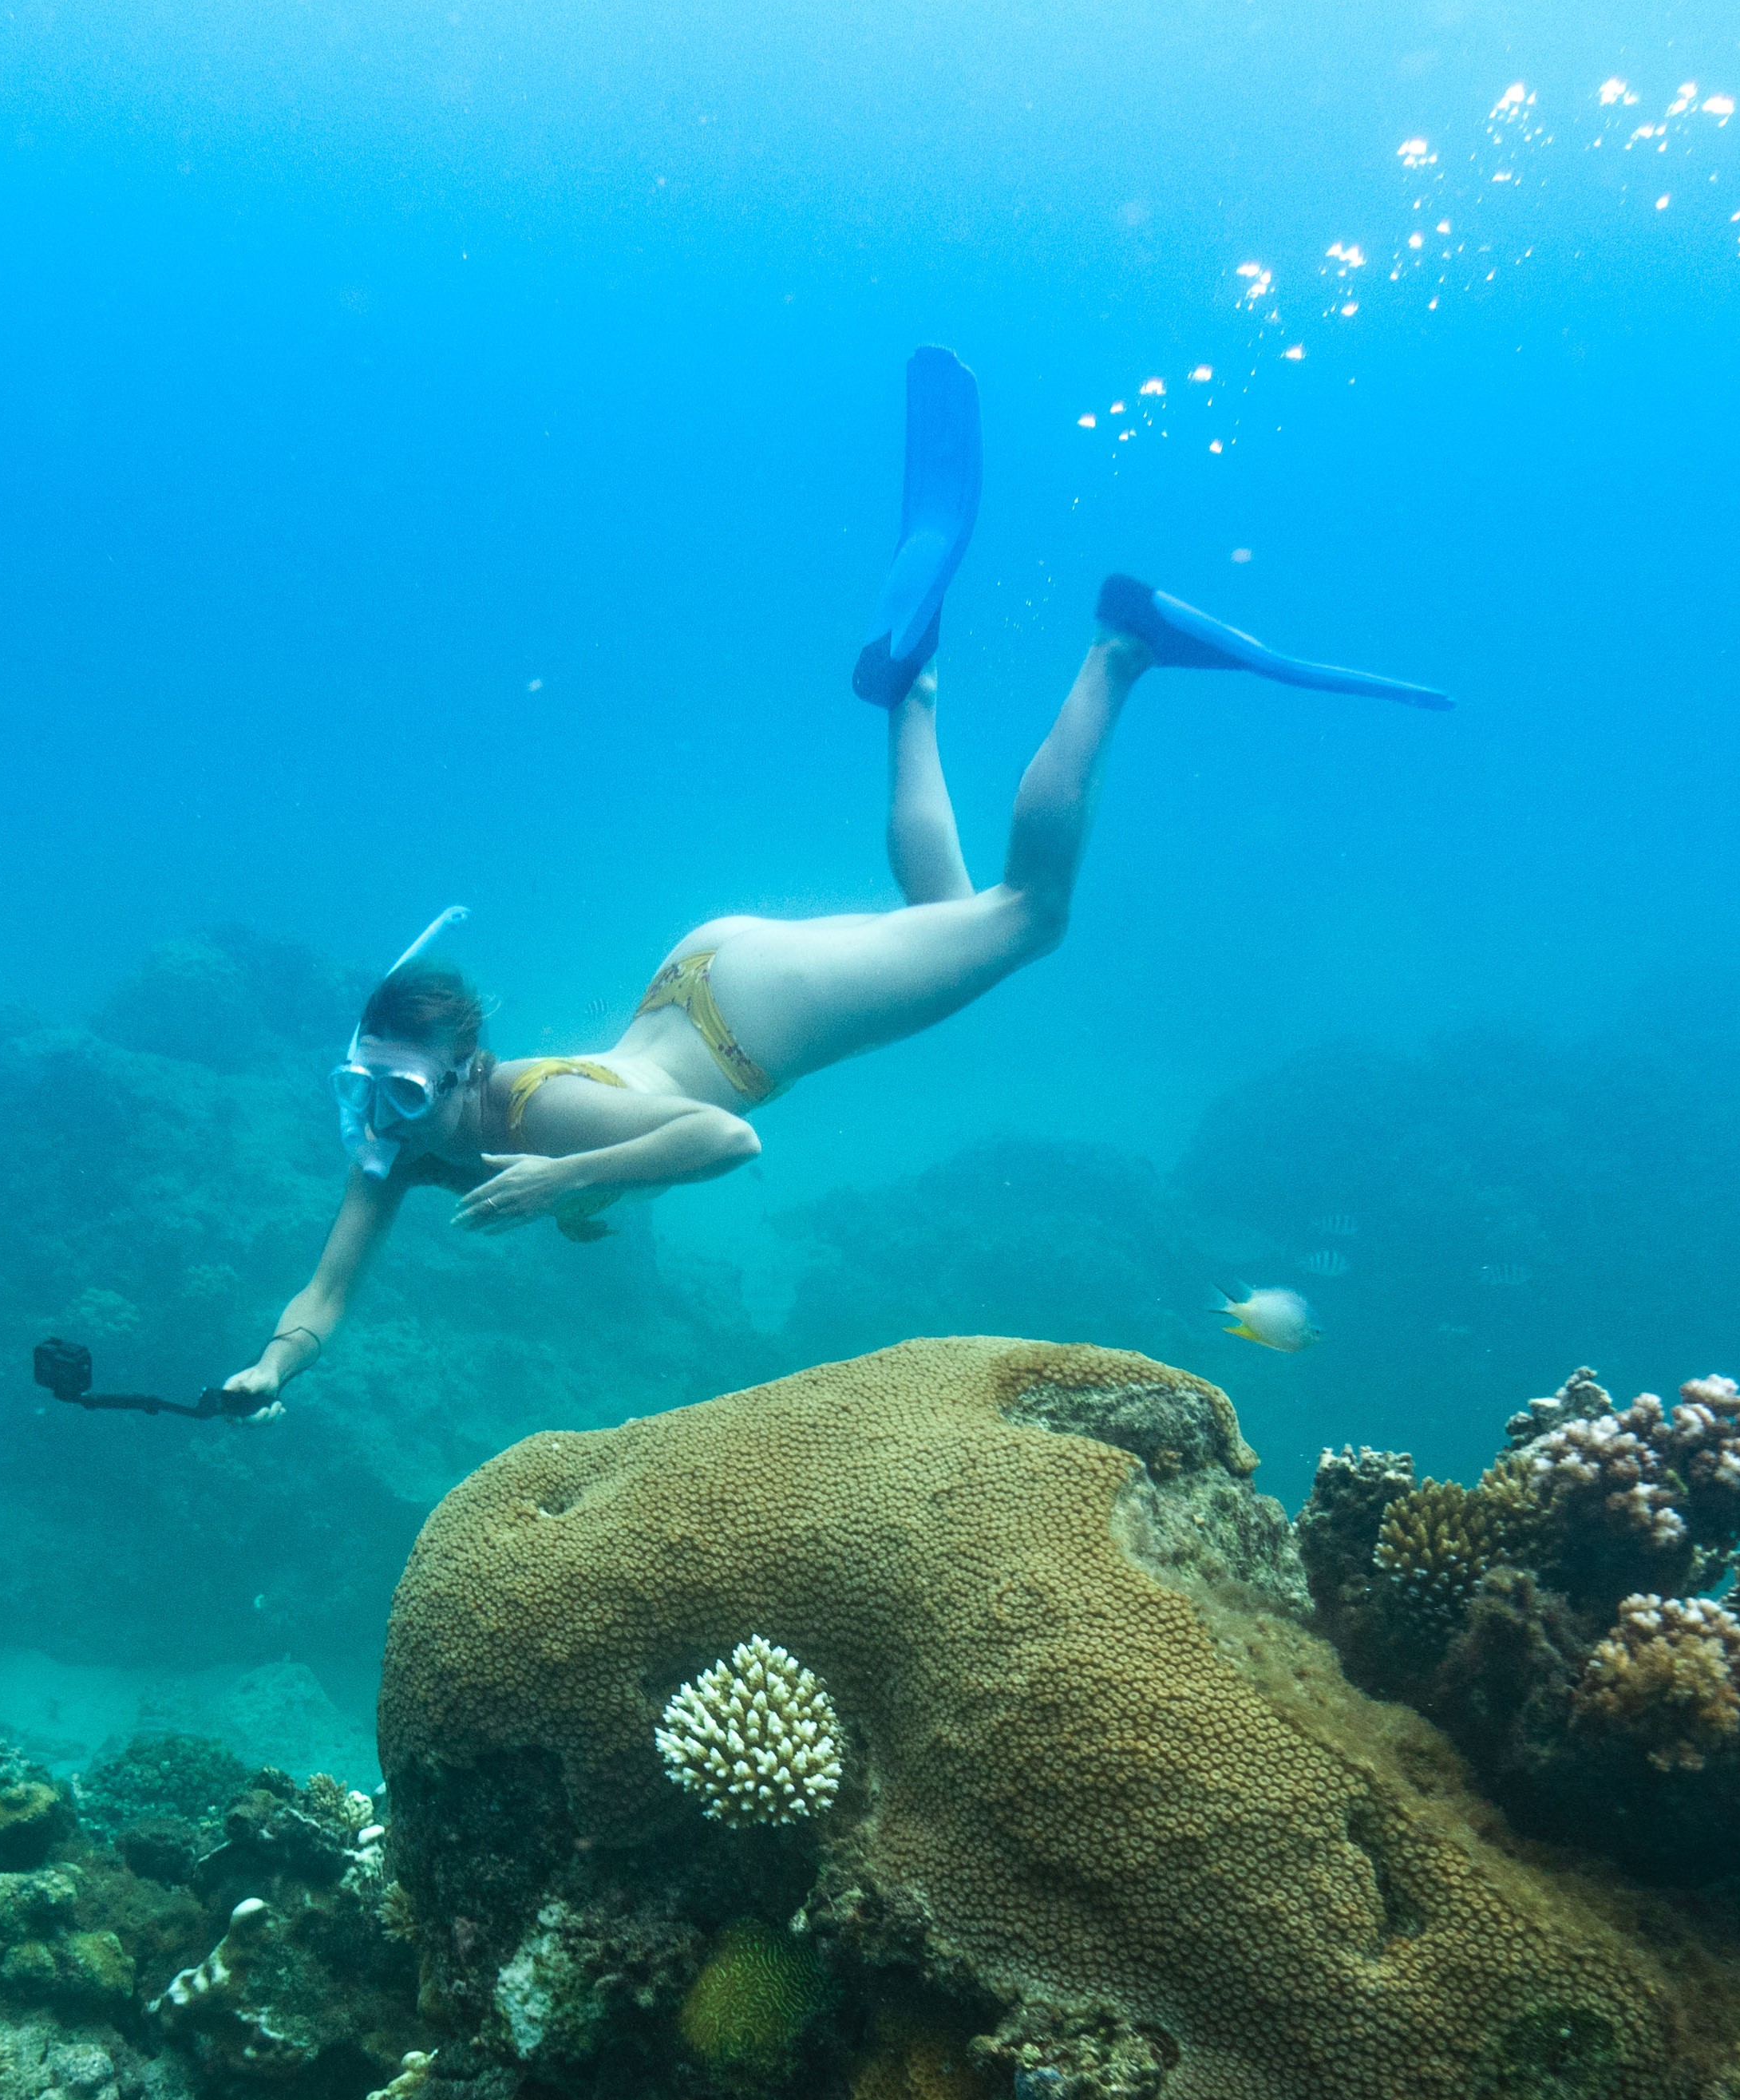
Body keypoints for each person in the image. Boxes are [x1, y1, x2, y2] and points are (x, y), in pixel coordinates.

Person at [221, 351, 1445, 1413]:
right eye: (361, 1090)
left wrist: (570, 1182)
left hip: (752, 1020)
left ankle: (1122, 648)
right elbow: (328, 1288)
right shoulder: (399, 1144)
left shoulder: (539, 1122)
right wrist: (271, 1371)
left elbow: (727, 1140)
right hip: (698, 982)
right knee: (947, 923)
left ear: (464, 1075)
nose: (374, 1121)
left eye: (395, 1095)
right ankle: (907, 692)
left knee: (1027, 919)